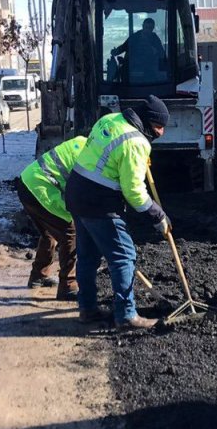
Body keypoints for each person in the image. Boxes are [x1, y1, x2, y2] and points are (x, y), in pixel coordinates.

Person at [65, 95, 171, 331]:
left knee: (88, 256)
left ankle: (88, 309)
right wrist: (157, 215)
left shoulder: (110, 119)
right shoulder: (135, 142)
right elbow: (133, 191)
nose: (161, 133)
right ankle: (126, 315)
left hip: (76, 191)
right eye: (158, 127)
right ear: (146, 121)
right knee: (124, 256)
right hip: (99, 202)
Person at [15, 135, 87, 301]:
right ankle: (68, 286)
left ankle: (38, 276)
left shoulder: (82, 141)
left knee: (49, 232)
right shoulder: (91, 160)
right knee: (70, 233)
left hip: (26, 182)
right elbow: (80, 194)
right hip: (41, 189)